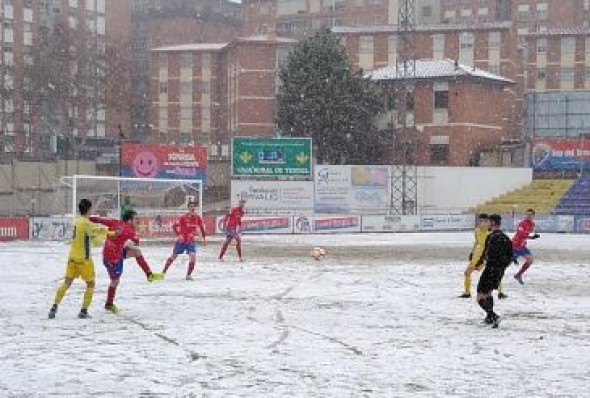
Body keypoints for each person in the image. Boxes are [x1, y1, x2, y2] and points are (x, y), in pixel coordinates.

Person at [90, 210, 163, 314]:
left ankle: (149, 275)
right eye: (135, 219)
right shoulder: (130, 231)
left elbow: (99, 219)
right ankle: (109, 304)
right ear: (129, 220)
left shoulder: (114, 221)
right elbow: (136, 242)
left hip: (112, 253)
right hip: (113, 259)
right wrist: (132, 237)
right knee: (115, 281)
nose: (137, 221)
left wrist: (87, 217)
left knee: (136, 251)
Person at [48, 199, 106, 319]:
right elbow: (96, 241)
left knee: (66, 283)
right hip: (84, 260)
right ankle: (84, 311)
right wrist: (105, 235)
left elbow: (90, 230)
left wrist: (101, 230)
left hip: (72, 257)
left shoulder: (77, 221)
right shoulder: (86, 223)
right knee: (91, 284)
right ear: (89, 209)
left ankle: (54, 306)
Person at [474, 214, 513, 328]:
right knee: (489, 293)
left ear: (493, 223)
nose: (487, 224)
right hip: (499, 271)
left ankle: (493, 315)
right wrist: (502, 267)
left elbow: (486, 254)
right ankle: (489, 318)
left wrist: (479, 263)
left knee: (480, 296)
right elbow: (510, 256)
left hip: (490, 269)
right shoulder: (506, 238)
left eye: (489, 222)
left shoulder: (491, 237)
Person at [460, 214, 507, 299]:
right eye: (480, 221)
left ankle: (500, 293)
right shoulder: (477, 230)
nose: (482, 223)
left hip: (488, 255)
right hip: (477, 256)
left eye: (485, 221)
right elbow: (476, 242)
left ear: (488, 222)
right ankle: (467, 293)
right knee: (467, 273)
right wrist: (472, 252)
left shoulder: (492, 232)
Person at [162, 201, 207, 281]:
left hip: (190, 240)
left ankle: (188, 275)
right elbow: (174, 226)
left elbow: (202, 228)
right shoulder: (183, 217)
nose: (192, 208)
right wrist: (179, 234)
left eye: (193, 207)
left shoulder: (197, 218)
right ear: (188, 208)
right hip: (182, 240)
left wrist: (204, 238)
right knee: (174, 256)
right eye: (190, 207)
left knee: (193, 256)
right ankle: (163, 272)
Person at [512, 208, 540, 285]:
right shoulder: (522, 223)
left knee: (530, 260)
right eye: (527, 214)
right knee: (506, 263)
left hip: (522, 245)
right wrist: (531, 237)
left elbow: (525, 235)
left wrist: (532, 237)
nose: (528, 216)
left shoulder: (532, 224)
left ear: (533, 216)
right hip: (516, 245)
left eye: (530, 215)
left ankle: (518, 275)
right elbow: (520, 235)